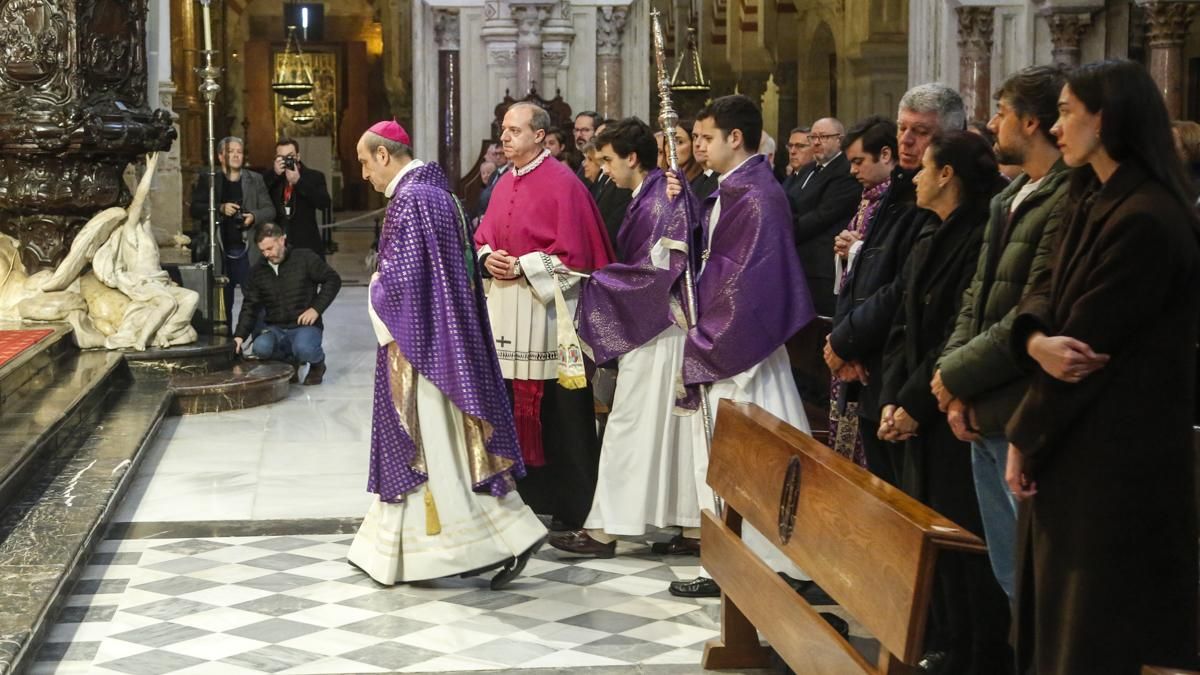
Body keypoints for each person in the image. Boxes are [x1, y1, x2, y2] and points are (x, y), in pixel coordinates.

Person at [1006, 60, 1200, 675]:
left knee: (1092, 632)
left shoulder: (1146, 217)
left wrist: (1023, 435)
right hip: (1073, 446)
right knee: (1056, 624)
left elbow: (1086, 348)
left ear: (1106, 117)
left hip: (1115, 453)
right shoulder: (1090, 195)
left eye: (1066, 112)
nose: (1056, 128)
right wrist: (1035, 341)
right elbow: (1040, 292)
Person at [344, 119, 546, 589]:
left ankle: (499, 539)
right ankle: (419, 551)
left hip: (426, 350)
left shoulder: (413, 200)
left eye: (363, 162)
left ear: (383, 155)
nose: (362, 174)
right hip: (443, 340)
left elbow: (405, 284)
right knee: (448, 450)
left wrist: (375, 285)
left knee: (435, 449)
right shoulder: (439, 195)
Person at [667, 94, 816, 599]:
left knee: (748, 461)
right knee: (719, 462)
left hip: (740, 356)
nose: (699, 148)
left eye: (706, 138)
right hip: (724, 347)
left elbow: (750, 284)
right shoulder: (732, 188)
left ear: (736, 138)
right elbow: (713, 257)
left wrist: (707, 342)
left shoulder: (755, 197)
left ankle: (759, 563)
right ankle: (727, 563)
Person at [932, 66, 1070, 601]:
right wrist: (955, 380)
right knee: (1010, 574)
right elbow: (977, 300)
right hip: (980, 402)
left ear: (1030, 122)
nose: (991, 124)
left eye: (1002, 112)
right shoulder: (1007, 199)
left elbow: (1029, 311)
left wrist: (954, 375)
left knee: (1039, 581)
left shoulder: (1064, 200)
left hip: (1018, 404)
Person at [879, 131, 1009, 675]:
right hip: (921, 402)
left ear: (948, 175)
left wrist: (914, 403)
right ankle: (949, 645)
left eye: (924, 166)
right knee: (936, 535)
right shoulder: (934, 232)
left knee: (966, 544)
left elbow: (955, 331)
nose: (914, 175)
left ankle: (977, 656)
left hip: (949, 410)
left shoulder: (977, 235)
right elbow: (904, 324)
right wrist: (892, 397)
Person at [549, 117, 701, 557]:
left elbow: (660, 270)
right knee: (664, 432)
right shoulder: (649, 195)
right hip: (655, 327)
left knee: (629, 425)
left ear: (632, 158)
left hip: (660, 328)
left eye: (609, 160)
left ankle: (605, 531)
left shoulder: (662, 199)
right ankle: (691, 528)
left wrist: (597, 283)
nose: (606, 169)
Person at [474, 102, 615, 534]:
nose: (505, 137)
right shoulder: (502, 182)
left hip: (548, 319)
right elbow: (483, 236)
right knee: (509, 401)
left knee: (561, 412)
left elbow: (578, 259)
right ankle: (522, 497)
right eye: (503, 130)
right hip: (507, 314)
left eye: (514, 130)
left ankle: (570, 504)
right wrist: (487, 258)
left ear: (539, 135)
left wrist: (523, 266)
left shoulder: (564, 184)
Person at [825, 83, 965, 488]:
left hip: (901, 370)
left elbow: (904, 288)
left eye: (920, 131)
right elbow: (867, 272)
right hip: (873, 364)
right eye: (903, 128)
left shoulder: (937, 200)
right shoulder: (900, 187)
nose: (905, 139)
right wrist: (846, 340)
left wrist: (847, 340)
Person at [826, 116, 897, 464]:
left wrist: (855, 249)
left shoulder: (894, 201)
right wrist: (846, 250)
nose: (853, 171)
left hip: (870, 334)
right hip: (849, 319)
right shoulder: (866, 199)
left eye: (858, 161)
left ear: (886, 155)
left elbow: (887, 269)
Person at [233, 221, 341, 385]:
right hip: (275, 327)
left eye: (270, 248)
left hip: (304, 325)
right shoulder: (258, 271)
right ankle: (290, 364)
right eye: (263, 251)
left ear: (282, 240)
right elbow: (250, 306)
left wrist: (316, 309)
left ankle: (318, 365)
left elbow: (333, 280)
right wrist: (239, 336)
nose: (267, 254)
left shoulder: (304, 258)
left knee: (305, 349)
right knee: (261, 348)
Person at [189, 136, 275, 330]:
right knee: (221, 304)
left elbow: (270, 210)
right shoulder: (210, 179)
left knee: (255, 301)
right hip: (220, 252)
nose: (236, 155)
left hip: (248, 250)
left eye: (239, 151)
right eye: (230, 152)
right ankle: (226, 346)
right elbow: (194, 209)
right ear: (220, 156)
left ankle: (260, 345)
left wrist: (253, 215)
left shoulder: (255, 180)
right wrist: (220, 208)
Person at [785, 117, 862, 316]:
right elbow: (786, 199)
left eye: (824, 137)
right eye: (813, 137)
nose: (817, 142)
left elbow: (823, 215)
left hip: (822, 267)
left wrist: (785, 231)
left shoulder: (846, 171)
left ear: (840, 140)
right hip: (799, 262)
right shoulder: (807, 170)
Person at [266, 137, 331, 256]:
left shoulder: (314, 176)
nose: (286, 160)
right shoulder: (271, 178)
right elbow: (260, 196)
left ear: (298, 157)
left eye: (290, 156)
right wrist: (274, 175)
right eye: (282, 157)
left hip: (306, 242)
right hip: (278, 243)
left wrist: (299, 181)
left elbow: (325, 203)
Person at [689, 118, 720, 200]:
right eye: (695, 137)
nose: (697, 143)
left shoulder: (725, 181)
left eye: (707, 137)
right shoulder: (694, 184)